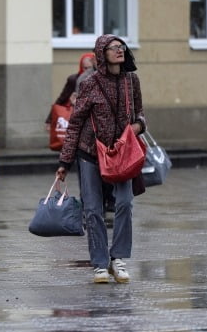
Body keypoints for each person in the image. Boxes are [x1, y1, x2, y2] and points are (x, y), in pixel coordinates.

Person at [56, 34, 146, 284]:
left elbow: (140, 115)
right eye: (113, 48)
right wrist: (64, 162)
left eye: (121, 47)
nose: (120, 51)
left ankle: (118, 257)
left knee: (125, 204)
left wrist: (137, 128)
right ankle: (99, 264)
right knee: (93, 210)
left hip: (123, 154)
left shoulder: (131, 81)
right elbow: (75, 123)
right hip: (90, 154)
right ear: (101, 53)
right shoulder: (89, 83)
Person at [45, 52, 96, 129]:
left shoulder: (98, 79)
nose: (87, 71)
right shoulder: (74, 80)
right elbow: (61, 99)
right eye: (85, 68)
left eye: (90, 68)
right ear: (81, 67)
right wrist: (49, 120)